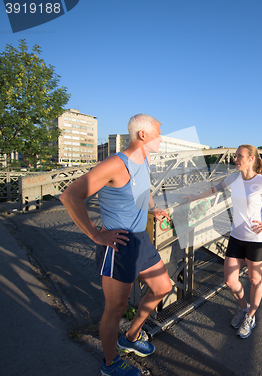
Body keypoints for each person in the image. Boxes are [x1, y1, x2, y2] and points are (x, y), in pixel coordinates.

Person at [60, 114, 172, 376]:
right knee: (115, 309)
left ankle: (130, 338)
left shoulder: (143, 159)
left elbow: (143, 191)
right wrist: (95, 234)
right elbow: (69, 196)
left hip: (140, 240)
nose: (161, 139)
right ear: (141, 135)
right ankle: (110, 363)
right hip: (118, 245)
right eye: (158, 133)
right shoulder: (114, 164)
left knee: (162, 286)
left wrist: (154, 211)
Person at [185, 144, 262, 338]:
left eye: (239, 156)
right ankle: (243, 308)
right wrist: (194, 197)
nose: (235, 159)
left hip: (256, 240)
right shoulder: (233, 178)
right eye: (235, 156)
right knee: (230, 280)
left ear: (251, 159)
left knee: (254, 279)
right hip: (236, 237)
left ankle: (251, 316)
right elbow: (214, 190)